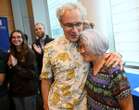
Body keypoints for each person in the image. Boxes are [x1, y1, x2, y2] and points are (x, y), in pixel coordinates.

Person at [40, 2, 123, 110]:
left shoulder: (89, 44)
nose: (75, 30)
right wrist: (46, 105)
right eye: (69, 25)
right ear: (60, 23)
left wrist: (117, 55)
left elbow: (101, 55)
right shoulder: (50, 48)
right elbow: (45, 80)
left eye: (78, 24)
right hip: (57, 106)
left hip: (84, 106)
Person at [78, 29, 134, 110]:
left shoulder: (114, 71)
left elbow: (128, 106)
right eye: (80, 47)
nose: (81, 50)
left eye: (84, 46)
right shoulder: (89, 65)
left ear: (95, 45)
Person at [7, 30, 36, 110]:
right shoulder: (11, 53)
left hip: (27, 92)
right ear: (11, 39)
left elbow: (31, 74)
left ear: (23, 38)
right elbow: (11, 73)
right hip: (15, 92)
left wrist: (16, 65)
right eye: (13, 37)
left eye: (19, 37)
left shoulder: (30, 53)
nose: (16, 39)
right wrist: (9, 66)